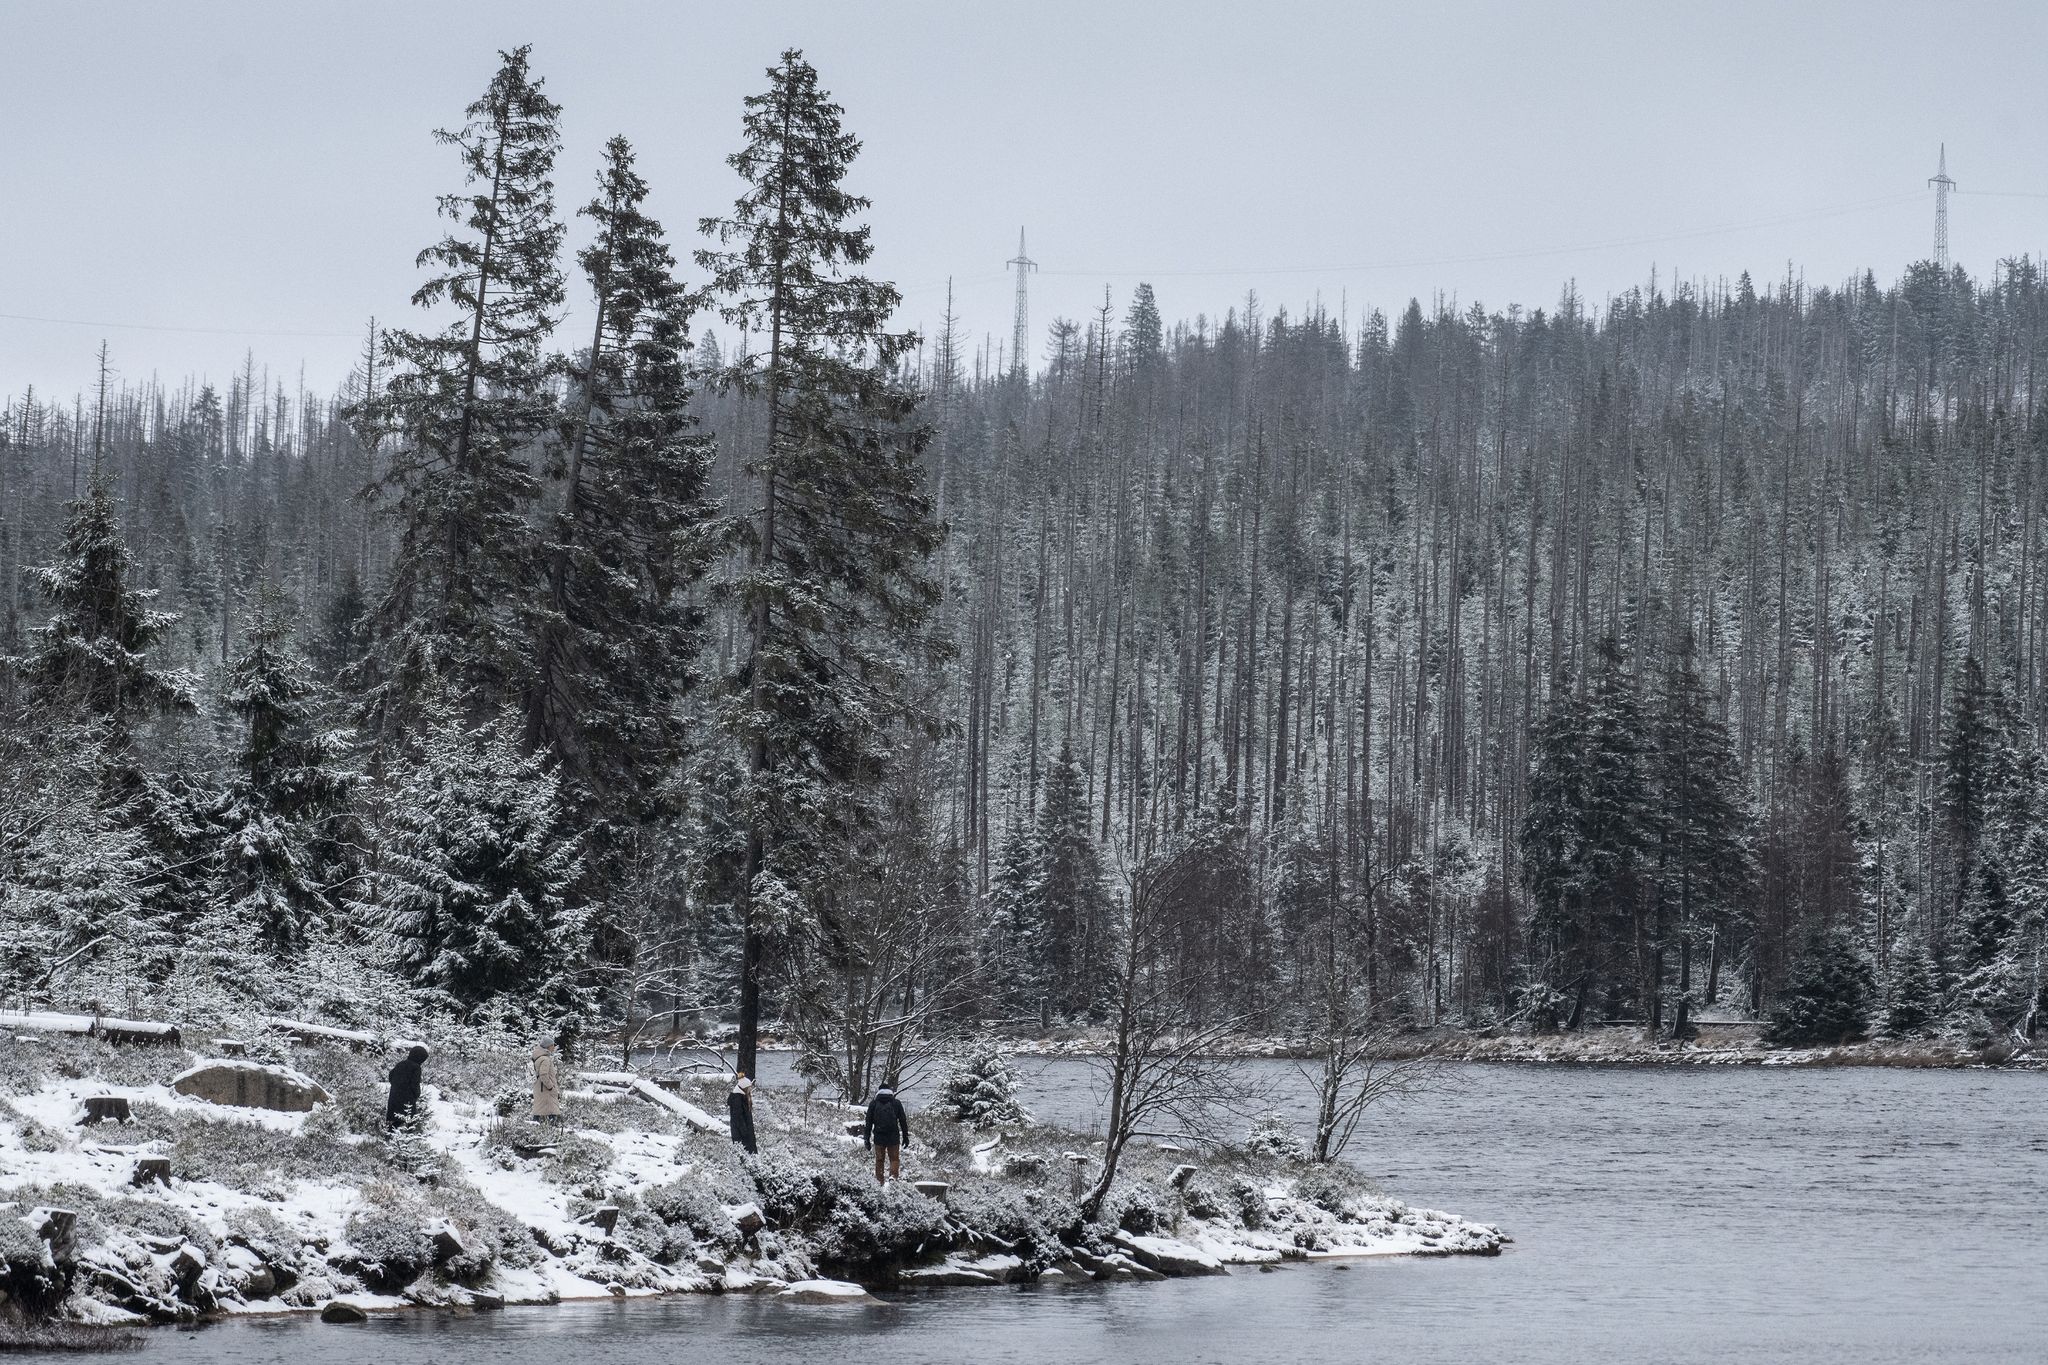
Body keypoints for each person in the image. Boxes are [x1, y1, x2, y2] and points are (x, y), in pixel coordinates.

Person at [862, 1077, 911, 1185]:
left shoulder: (873, 1103)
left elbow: (868, 1122)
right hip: (893, 1136)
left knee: (879, 1160)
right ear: (890, 1092)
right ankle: (893, 1178)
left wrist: (866, 1138)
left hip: (879, 1137)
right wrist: (906, 1137)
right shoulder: (896, 1103)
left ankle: (879, 1183)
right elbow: (903, 1120)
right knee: (894, 1159)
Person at [385, 1044, 428, 1131]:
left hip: (394, 1095)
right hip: (407, 1098)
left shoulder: (400, 1064)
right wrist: (417, 1094)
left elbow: (391, 1077)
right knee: (410, 1119)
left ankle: (390, 1136)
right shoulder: (416, 1068)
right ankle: (408, 1138)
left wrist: (397, 1086)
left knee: (397, 1119)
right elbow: (414, 1084)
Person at [531, 1039, 561, 1126]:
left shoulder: (538, 1058)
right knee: (551, 1112)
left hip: (539, 1088)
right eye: (552, 1045)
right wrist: (550, 1087)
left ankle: (533, 1130)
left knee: (538, 1111)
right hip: (546, 1090)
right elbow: (543, 1075)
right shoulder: (545, 1059)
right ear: (548, 1046)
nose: (554, 1047)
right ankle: (553, 1132)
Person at [727, 1071, 757, 1154]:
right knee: (745, 1154)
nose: (750, 1089)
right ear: (744, 1088)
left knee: (748, 1154)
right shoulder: (737, 1099)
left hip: (744, 1133)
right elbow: (738, 1118)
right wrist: (746, 1133)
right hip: (742, 1135)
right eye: (749, 1088)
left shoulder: (742, 1098)